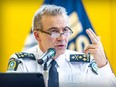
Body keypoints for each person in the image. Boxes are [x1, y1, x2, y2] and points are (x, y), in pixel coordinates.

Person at [7, 4, 116, 87]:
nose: (62, 38)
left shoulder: (84, 63)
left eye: (65, 30)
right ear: (37, 35)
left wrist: (102, 64)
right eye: (54, 31)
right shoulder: (22, 62)